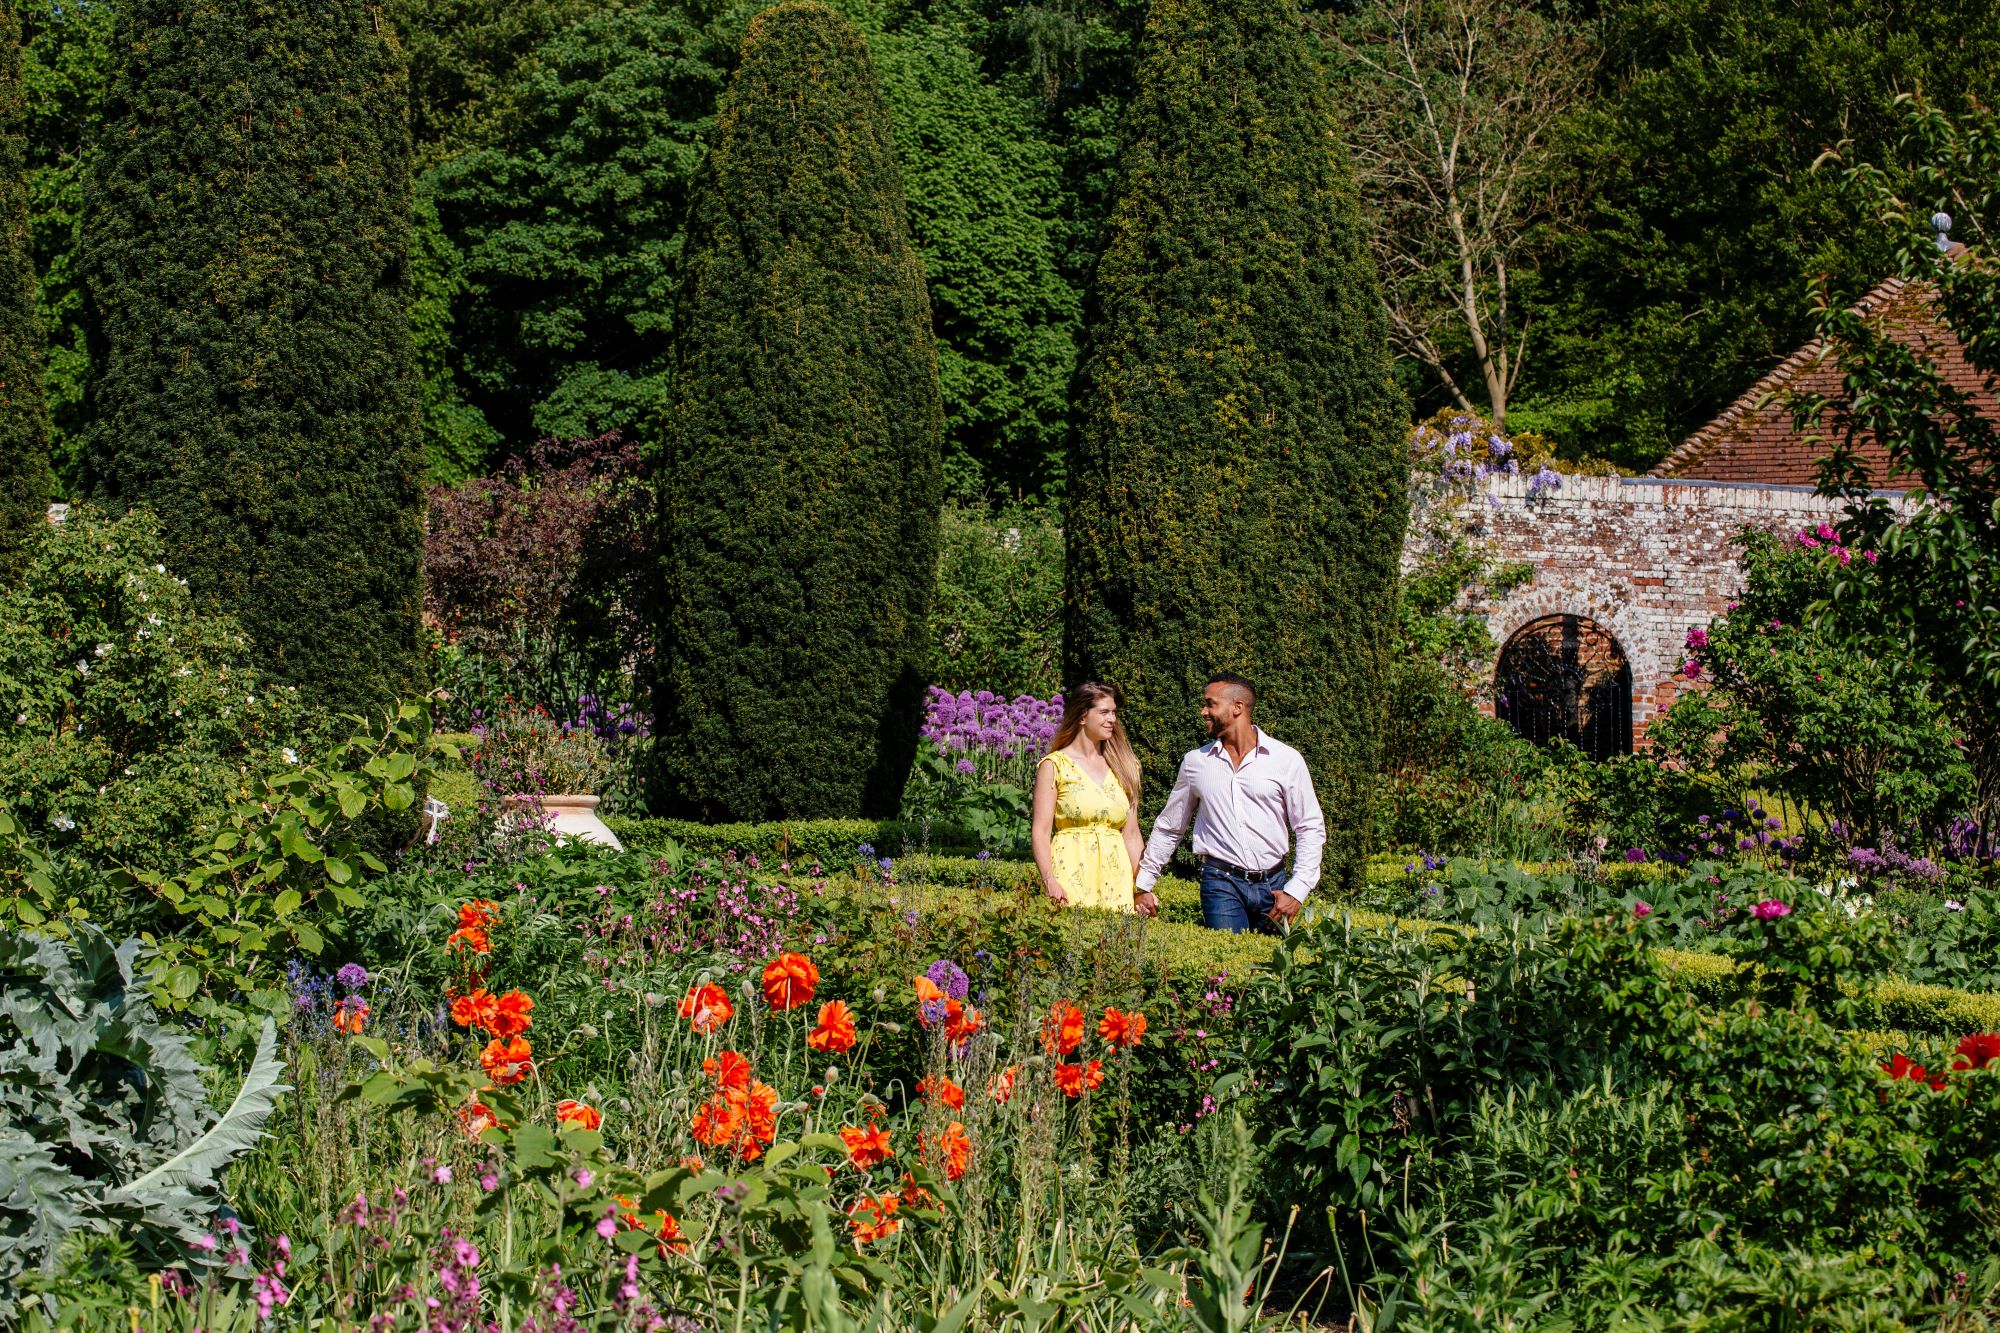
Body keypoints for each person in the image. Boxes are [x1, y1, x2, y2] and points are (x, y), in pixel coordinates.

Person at [1135, 674, 1325, 933]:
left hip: (1275, 886)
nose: (1203, 711)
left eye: (1210, 704)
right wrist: (1144, 884)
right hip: (1219, 883)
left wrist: (1297, 890)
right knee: (1227, 971)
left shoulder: (1286, 760)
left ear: (1238, 707)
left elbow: (1309, 827)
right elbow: (1170, 826)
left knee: (1275, 971)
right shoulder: (1196, 763)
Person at [1030, 682, 1159, 917]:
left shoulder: (1125, 767)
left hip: (1116, 876)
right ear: (1081, 716)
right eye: (1104, 712)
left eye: (1114, 713)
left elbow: (1130, 834)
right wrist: (1049, 880)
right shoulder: (1055, 766)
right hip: (1069, 871)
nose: (1112, 719)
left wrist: (1143, 887)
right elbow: (1041, 830)